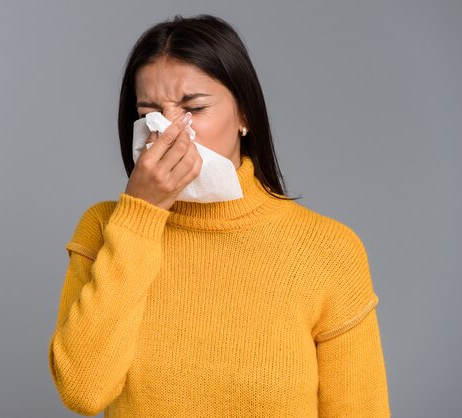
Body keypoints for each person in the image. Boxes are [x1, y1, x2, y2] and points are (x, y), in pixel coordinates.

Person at [48, 14, 391, 417]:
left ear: (244, 115)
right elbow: (83, 390)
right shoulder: (106, 228)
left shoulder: (329, 249)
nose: (168, 131)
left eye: (193, 107)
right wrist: (140, 215)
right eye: (149, 112)